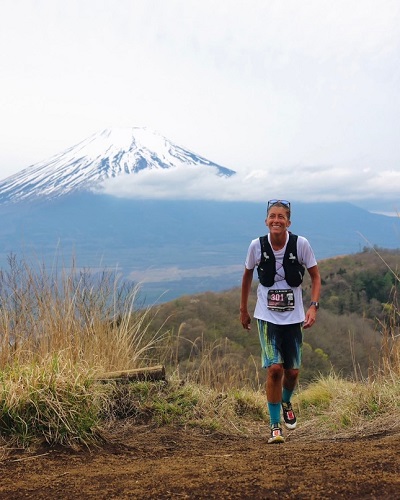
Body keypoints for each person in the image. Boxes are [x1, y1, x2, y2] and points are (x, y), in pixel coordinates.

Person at [240, 199, 321, 444]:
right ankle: (275, 425)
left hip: (294, 317)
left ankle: (286, 400)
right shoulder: (256, 246)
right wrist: (243, 309)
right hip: (266, 316)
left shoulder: (301, 244)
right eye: (272, 216)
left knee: (292, 372)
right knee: (274, 369)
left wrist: (313, 307)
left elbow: (316, 277)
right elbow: (246, 276)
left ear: (288, 222)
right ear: (266, 221)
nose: (276, 220)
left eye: (281, 217)